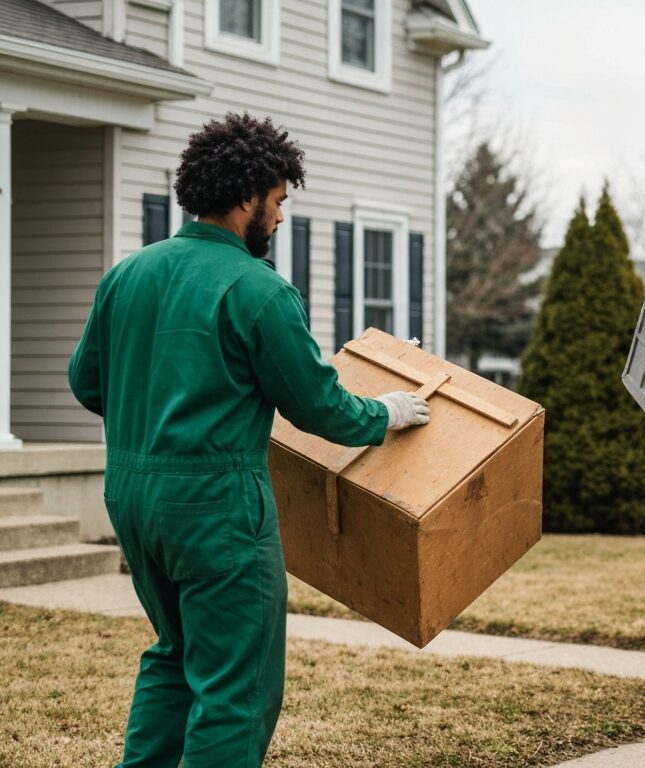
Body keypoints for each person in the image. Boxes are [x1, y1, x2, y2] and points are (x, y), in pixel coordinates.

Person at [68, 113, 430, 767]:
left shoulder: (126, 276)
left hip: (131, 497)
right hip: (216, 506)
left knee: (175, 655)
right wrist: (388, 412)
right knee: (237, 687)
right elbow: (322, 409)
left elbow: (87, 385)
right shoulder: (259, 291)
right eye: (280, 201)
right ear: (247, 198)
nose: (282, 217)